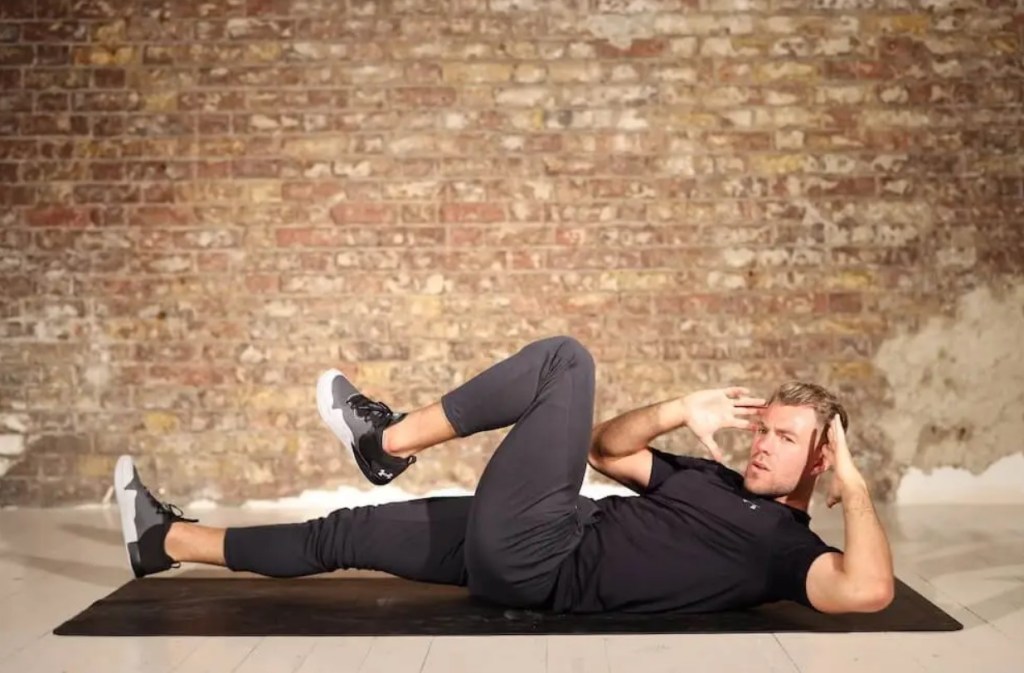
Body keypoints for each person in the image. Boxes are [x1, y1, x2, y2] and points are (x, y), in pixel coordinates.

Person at [114, 335, 894, 614]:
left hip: (540, 556)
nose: (759, 445)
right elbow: (607, 451)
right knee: (344, 531)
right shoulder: (712, 482)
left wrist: (851, 481)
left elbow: (866, 590)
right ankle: (165, 539)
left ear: (820, 459)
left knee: (566, 360)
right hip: (535, 541)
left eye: (783, 438)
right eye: (761, 429)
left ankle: (386, 442)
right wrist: (674, 408)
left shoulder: (787, 550)